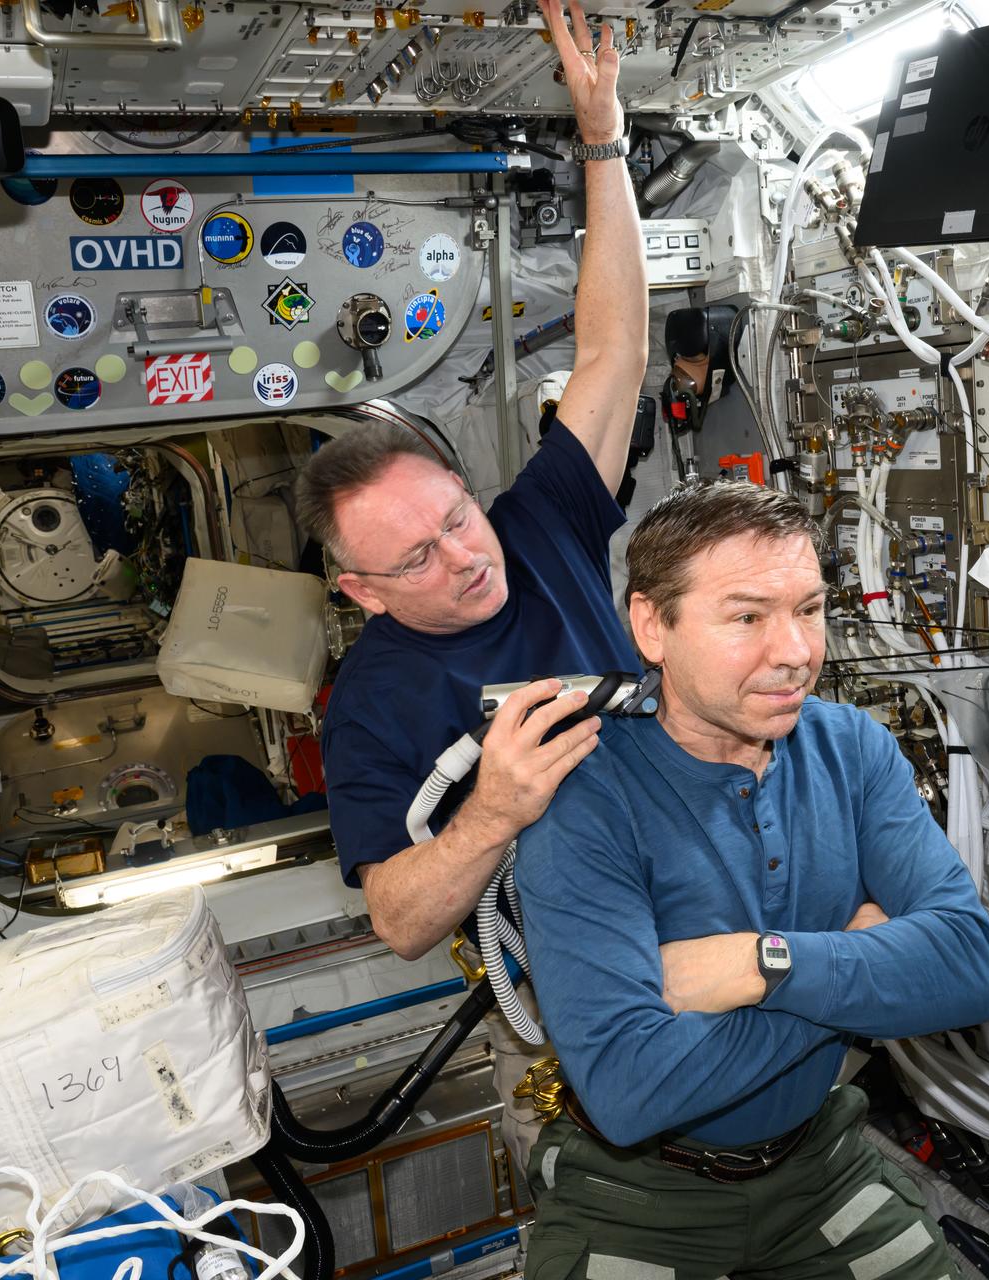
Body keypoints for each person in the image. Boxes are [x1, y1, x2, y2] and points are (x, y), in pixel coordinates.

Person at [292, 0, 646, 1177]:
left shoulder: (535, 522)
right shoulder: (376, 704)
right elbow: (396, 921)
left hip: (705, 893)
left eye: (454, 516)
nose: (463, 558)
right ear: (361, 592)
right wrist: (494, 808)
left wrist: (603, 140)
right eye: (417, 562)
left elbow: (611, 353)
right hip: (571, 988)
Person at [514, 481, 989, 1279]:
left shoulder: (852, 747)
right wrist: (860, 975)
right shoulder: (584, 795)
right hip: (635, 1191)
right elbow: (631, 1088)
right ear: (652, 626)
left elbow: (971, 969)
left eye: (809, 609)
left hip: (820, 1162)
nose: (796, 651)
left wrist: (761, 964)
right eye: (747, 617)